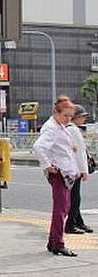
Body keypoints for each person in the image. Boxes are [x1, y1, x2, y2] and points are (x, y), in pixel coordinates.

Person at [33, 96, 79, 257]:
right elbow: (38, 146)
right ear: (56, 112)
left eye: (70, 116)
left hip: (64, 172)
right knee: (61, 209)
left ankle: (54, 242)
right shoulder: (52, 128)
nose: (68, 118)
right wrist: (47, 165)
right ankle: (58, 243)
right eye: (65, 115)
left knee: (63, 208)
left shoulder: (59, 126)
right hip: (58, 172)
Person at [65, 105, 92, 234]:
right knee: (75, 197)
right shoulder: (74, 130)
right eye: (82, 116)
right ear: (75, 117)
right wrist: (84, 170)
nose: (83, 119)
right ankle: (70, 224)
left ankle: (78, 222)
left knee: (73, 196)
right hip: (75, 168)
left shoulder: (66, 128)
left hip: (68, 167)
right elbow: (80, 153)